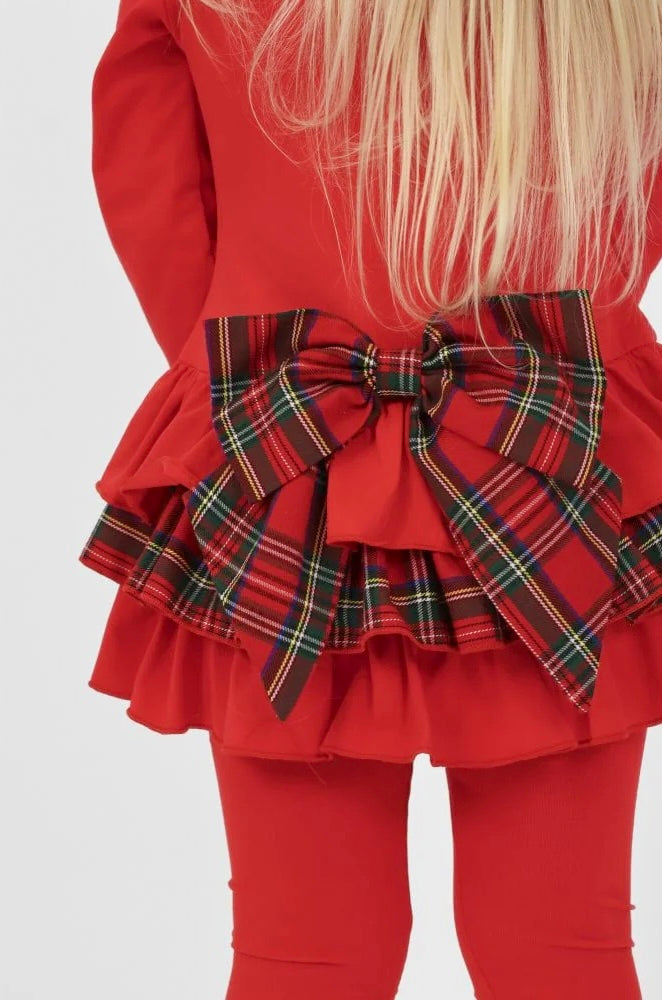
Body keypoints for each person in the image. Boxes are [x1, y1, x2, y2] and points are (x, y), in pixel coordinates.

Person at [78, 0, 662, 996]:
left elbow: (152, 186)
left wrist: (253, 382)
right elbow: (626, 232)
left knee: (304, 955)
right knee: (559, 947)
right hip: (544, 460)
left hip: (296, 471)